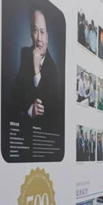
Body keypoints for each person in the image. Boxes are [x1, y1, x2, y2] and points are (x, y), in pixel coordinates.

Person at [11, 7, 61, 135]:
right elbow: (15, 96)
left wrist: (36, 71)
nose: (38, 38)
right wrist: (29, 110)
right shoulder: (25, 53)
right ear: (30, 33)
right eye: (35, 30)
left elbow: (48, 113)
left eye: (42, 32)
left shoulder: (54, 71)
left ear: (48, 36)